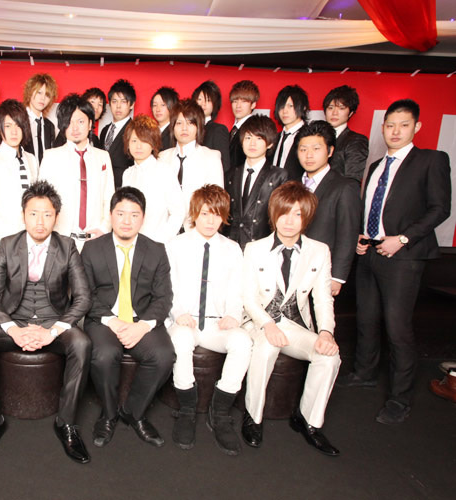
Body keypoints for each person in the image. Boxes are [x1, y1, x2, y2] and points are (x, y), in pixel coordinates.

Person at [338, 99, 451, 424]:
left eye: (403, 125)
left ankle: (400, 399)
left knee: (397, 327)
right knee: (366, 318)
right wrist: (361, 237)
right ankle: (365, 372)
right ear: (383, 128)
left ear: (417, 127)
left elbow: (440, 208)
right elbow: (372, 208)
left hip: (404, 257)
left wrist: (401, 239)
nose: (396, 131)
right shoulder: (376, 165)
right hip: (371, 251)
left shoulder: (431, 160)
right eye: (390, 125)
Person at [0, 181, 93, 464]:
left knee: (82, 344)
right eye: (33, 214)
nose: (40, 221)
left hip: (53, 321)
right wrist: (12, 329)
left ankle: (66, 423)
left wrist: (53, 331)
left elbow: (83, 298)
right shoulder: (7, 245)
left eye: (47, 214)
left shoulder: (67, 246)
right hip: (15, 319)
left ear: (56, 217)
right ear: (23, 215)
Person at [241, 181, 341, 456]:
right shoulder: (254, 249)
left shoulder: (319, 251)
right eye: (284, 213)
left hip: (295, 324)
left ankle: (309, 421)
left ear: (306, 217)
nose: (289, 221)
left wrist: (326, 332)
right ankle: (253, 416)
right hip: (260, 320)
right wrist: (267, 325)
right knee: (266, 346)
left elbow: (323, 298)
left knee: (330, 356)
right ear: (273, 214)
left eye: (297, 214)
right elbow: (248, 298)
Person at [81, 187, 175, 448]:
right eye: (120, 213)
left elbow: (163, 298)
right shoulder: (92, 249)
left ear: (143, 218)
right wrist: (112, 321)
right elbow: (84, 294)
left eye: (134, 215)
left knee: (163, 356)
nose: (126, 220)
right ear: (111, 214)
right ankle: (109, 414)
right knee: (104, 355)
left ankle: (133, 412)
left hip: (141, 318)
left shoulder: (156, 250)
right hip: (104, 319)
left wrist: (142, 326)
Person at [166, 184, 251, 455]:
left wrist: (233, 315)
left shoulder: (232, 248)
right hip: (184, 319)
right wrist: (178, 312)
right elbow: (167, 286)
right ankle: (187, 409)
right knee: (181, 340)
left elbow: (238, 289)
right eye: (204, 214)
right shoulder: (176, 245)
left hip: (216, 322)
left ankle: (220, 411)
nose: (210, 221)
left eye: (216, 214)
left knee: (242, 342)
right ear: (194, 214)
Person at [40, 94, 115, 250]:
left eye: (80, 122)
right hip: (61, 240)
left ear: (90, 124)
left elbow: (109, 197)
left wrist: (104, 228)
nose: (74, 128)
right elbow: (42, 200)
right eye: (69, 122)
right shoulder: (51, 156)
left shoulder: (103, 157)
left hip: (95, 240)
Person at [298, 121, 361, 296]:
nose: (309, 155)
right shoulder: (293, 184)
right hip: (293, 267)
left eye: (316, 149)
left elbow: (347, 233)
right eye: (303, 149)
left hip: (322, 270)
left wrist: (337, 277)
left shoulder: (344, 187)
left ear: (330, 151)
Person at [0, 99, 38, 249]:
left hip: (32, 240)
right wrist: (11, 239)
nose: (14, 132)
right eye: (8, 126)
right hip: (4, 242)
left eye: (18, 125)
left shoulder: (31, 159)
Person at [159, 99, 224, 229]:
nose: (184, 128)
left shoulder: (211, 157)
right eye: (179, 123)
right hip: (165, 230)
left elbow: (216, 202)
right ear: (172, 126)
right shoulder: (162, 157)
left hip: (196, 230)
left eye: (190, 123)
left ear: (199, 127)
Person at [226, 115, 288, 250]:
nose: (252, 144)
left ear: (270, 143)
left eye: (259, 138)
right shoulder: (231, 174)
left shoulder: (279, 176)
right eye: (248, 138)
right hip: (231, 247)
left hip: (262, 247)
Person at [121, 114, 185, 243]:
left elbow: (178, 212)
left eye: (144, 141)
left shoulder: (164, 171)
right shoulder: (128, 174)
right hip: (130, 243)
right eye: (134, 141)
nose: (138, 146)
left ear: (153, 144)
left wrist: (160, 241)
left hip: (157, 243)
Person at [323, 85, 369, 183]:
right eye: (330, 108)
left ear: (351, 113)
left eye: (341, 108)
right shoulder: (316, 137)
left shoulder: (356, 140)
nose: (334, 113)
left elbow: (353, 180)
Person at [100, 79, 136, 188]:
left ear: (131, 104)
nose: (118, 106)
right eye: (114, 101)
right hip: (101, 186)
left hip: (124, 188)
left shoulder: (135, 130)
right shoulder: (105, 131)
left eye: (123, 101)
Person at [270, 85, 309, 180]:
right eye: (282, 106)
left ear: (303, 107)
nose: (285, 111)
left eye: (290, 106)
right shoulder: (275, 137)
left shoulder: (309, 136)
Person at [193, 80, 230, 176]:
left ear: (215, 104)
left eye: (208, 100)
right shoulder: (187, 129)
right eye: (200, 99)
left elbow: (224, 165)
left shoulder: (218, 130)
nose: (203, 104)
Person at [23, 73, 58, 163]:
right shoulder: (19, 120)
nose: (43, 98)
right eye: (39, 93)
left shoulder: (49, 126)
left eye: (47, 95)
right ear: (30, 91)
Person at [228, 80, 260, 170]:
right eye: (235, 101)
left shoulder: (254, 129)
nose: (238, 106)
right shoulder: (234, 129)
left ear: (253, 104)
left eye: (244, 101)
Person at [150, 86, 179, 151]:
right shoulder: (150, 132)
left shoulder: (175, 133)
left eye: (163, 105)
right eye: (155, 105)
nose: (158, 109)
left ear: (173, 106)